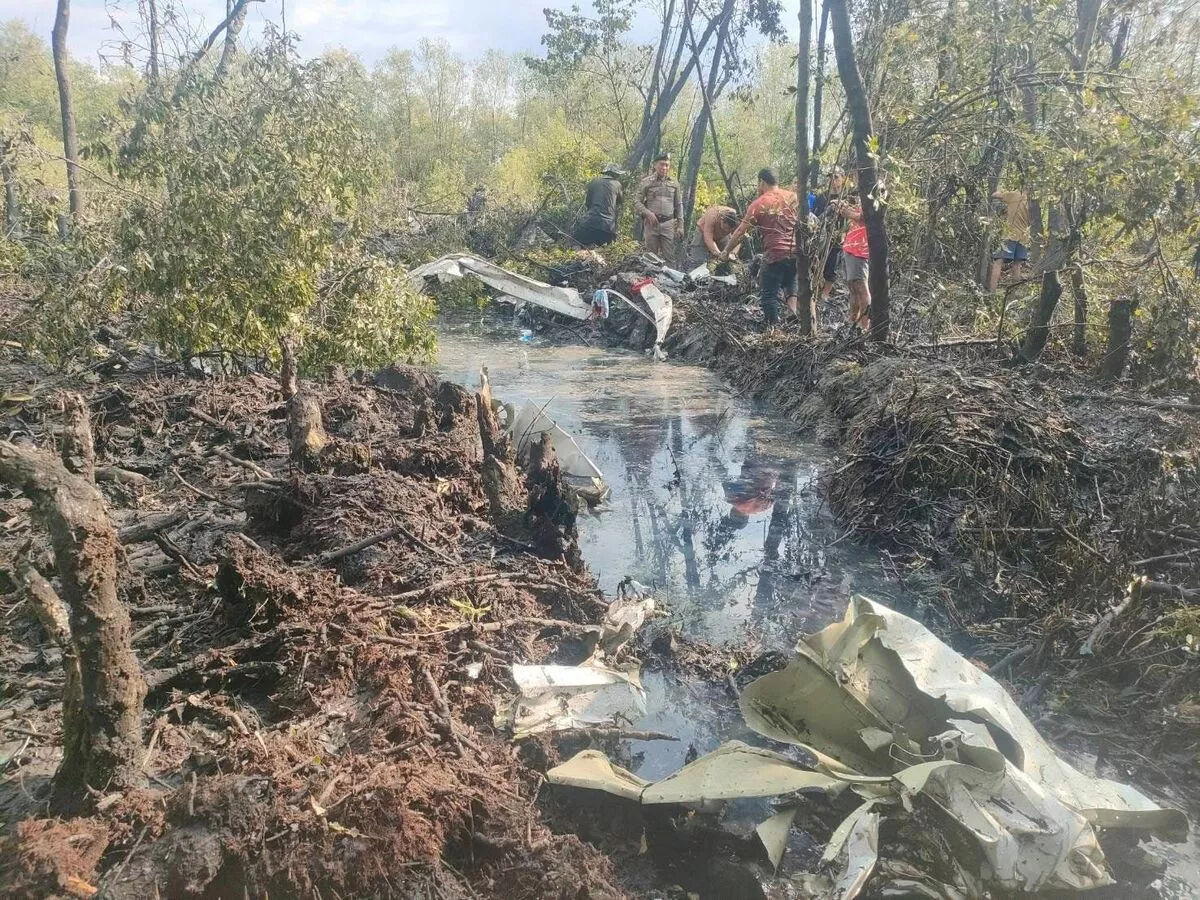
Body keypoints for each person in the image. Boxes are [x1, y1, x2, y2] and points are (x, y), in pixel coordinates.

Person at [719, 168, 800, 329]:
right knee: (790, 283)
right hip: (795, 252)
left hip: (775, 254)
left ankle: (774, 330)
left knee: (768, 294)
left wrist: (726, 251)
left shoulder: (760, 203)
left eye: (759, 184)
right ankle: (793, 315)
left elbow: (741, 231)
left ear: (762, 182)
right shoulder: (792, 197)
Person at [634, 152, 683, 261]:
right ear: (655, 165)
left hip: (668, 224)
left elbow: (679, 205)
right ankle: (650, 278)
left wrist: (680, 225)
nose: (664, 167)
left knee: (669, 257)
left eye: (667, 165)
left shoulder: (674, 183)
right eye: (662, 164)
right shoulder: (646, 182)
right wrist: (647, 213)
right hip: (651, 225)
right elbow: (637, 202)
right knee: (650, 258)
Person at [832, 195, 871, 330]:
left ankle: (864, 326)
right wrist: (843, 207)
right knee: (853, 287)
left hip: (861, 247)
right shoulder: (861, 191)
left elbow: (868, 217)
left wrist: (847, 213)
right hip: (851, 245)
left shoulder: (874, 188)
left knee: (861, 287)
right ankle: (853, 322)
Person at [988, 188, 1031, 291]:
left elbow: (994, 194)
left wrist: (1004, 190)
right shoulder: (1031, 203)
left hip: (1010, 235)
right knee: (1017, 265)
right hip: (1024, 237)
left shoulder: (1015, 195)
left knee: (998, 262)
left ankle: (991, 292)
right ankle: (1013, 294)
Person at [573, 164, 624, 248]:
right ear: (615, 174)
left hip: (589, 224)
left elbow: (588, 204)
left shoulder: (594, 182)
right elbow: (619, 204)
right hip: (608, 227)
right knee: (607, 252)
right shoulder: (617, 185)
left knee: (578, 246)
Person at [684, 205, 739, 269]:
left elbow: (738, 237)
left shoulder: (736, 219)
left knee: (726, 261)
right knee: (697, 260)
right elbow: (708, 238)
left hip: (722, 237)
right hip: (703, 233)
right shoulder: (712, 215)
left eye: (729, 230)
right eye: (725, 228)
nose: (726, 230)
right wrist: (718, 253)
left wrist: (733, 253)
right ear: (722, 219)